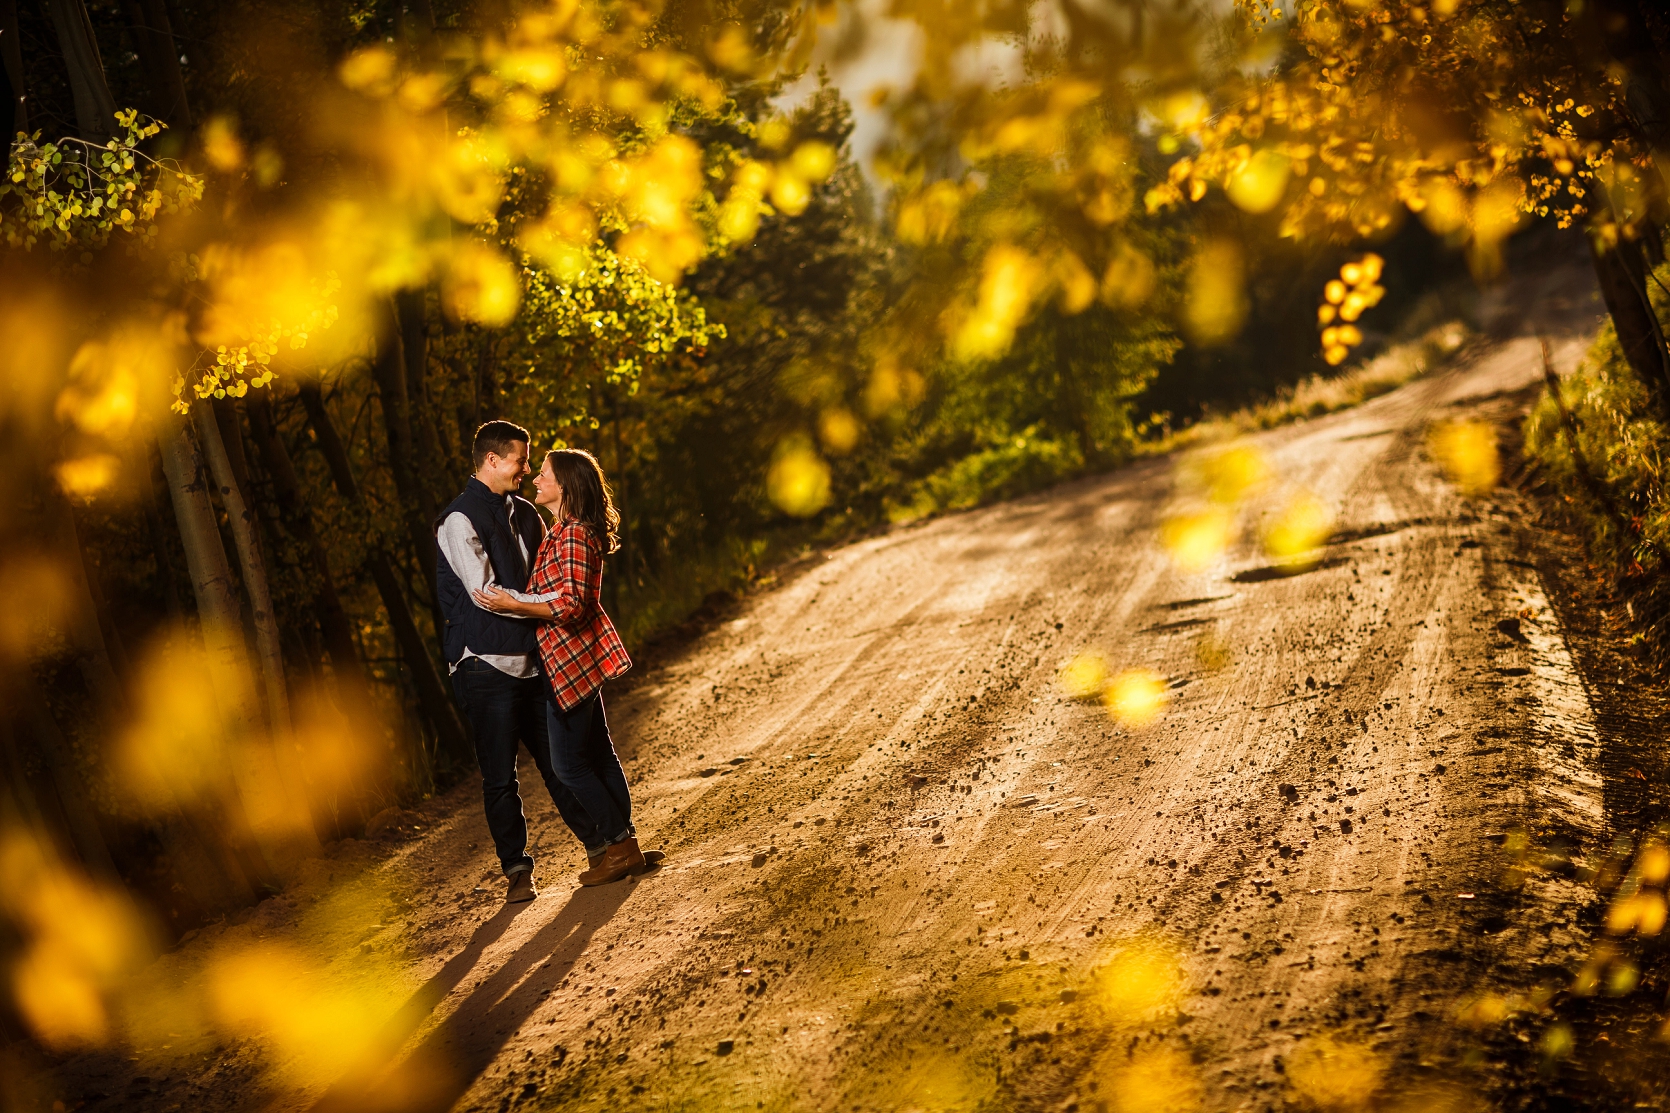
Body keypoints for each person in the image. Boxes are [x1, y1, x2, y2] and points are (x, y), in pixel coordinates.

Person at [475, 448, 650, 886]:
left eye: (545, 474)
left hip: (569, 662)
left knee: (569, 765)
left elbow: (571, 603)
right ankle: (627, 844)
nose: (535, 479)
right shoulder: (563, 531)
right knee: (598, 752)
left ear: (566, 486)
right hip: (574, 659)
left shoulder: (572, 534)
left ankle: (619, 847)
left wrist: (514, 602)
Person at [436, 420, 594, 903]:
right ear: (492, 461)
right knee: (499, 777)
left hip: (533, 657)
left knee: (560, 764)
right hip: (484, 664)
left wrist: (550, 605)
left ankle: (602, 847)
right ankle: (516, 871)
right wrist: (544, 603)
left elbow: (552, 576)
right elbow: (484, 595)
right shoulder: (458, 520)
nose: (527, 468)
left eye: (528, 462)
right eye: (521, 460)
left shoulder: (527, 514)